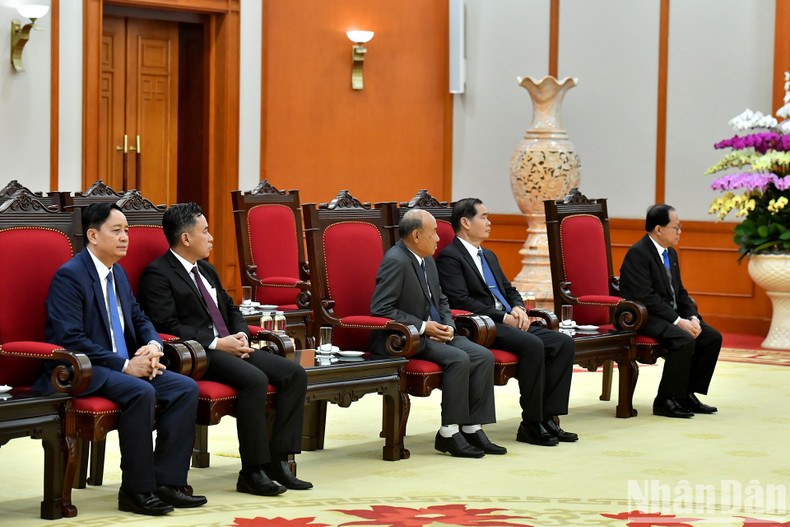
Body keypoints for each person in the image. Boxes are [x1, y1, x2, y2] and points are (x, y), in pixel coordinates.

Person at [35, 202, 205, 516]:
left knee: (184, 388)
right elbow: (69, 338)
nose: (125, 237)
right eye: (117, 231)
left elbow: (139, 318)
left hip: (122, 365)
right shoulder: (70, 276)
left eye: (126, 230)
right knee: (142, 391)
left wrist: (152, 345)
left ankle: (167, 482)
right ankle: (136, 491)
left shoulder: (118, 273)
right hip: (84, 370)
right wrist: (125, 365)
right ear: (92, 235)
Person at [137, 202, 311, 497]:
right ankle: (252, 472)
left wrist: (241, 334)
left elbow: (231, 309)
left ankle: (279, 461)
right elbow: (166, 324)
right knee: (254, 380)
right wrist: (218, 343)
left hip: (230, 345)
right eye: (205, 231)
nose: (211, 237)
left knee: (294, 374)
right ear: (186, 238)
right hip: (198, 354)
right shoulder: (157, 274)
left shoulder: (205, 268)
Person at [436, 198, 577, 447]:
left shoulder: (488, 255)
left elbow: (509, 289)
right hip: (483, 326)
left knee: (563, 342)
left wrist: (519, 307)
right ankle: (531, 424)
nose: (489, 223)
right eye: (484, 217)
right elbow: (461, 300)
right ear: (465, 222)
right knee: (532, 344)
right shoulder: (450, 257)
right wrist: (503, 317)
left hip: (508, 319)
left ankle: (549, 419)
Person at [370, 208, 505, 458]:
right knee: (459, 358)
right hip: (403, 338)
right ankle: (448, 432)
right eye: (433, 233)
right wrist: (423, 327)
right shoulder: (396, 261)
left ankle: (472, 426)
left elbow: (441, 300)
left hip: (434, 332)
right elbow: (380, 308)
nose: (439, 239)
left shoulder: (427, 259)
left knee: (482, 355)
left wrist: (448, 325)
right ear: (417, 235)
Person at [618, 204, 721, 418]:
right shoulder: (638, 253)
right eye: (676, 227)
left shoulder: (670, 253)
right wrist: (677, 321)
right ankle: (665, 399)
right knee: (684, 339)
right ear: (658, 229)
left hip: (667, 315)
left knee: (711, 337)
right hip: (644, 317)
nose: (680, 232)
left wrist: (692, 317)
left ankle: (685, 394)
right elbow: (645, 297)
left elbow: (680, 293)